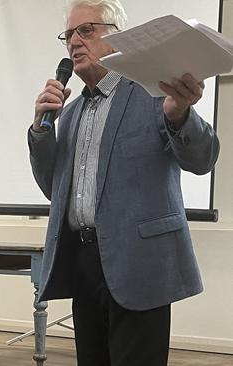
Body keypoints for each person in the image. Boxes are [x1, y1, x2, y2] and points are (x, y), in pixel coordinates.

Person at [28, 1, 220, 365]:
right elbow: (55, 190)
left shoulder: (154, 93)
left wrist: (180, 114)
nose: (74, 42)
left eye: (86, 30)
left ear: (117, 38)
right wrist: (40, 130)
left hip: (140, 263)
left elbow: (202, 159)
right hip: (84, 262)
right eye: (68, 35)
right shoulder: (68, 116)